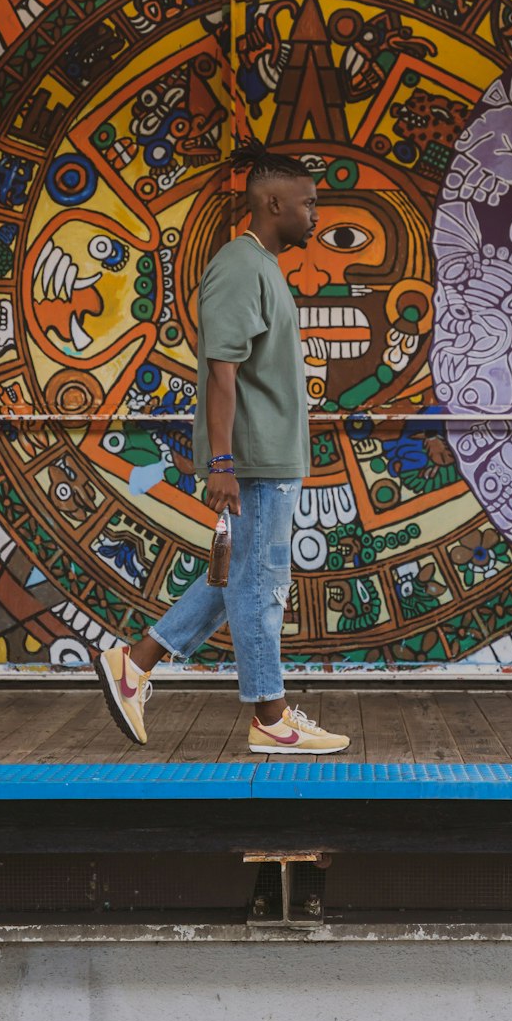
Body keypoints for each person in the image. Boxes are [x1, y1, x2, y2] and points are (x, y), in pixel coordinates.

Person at [95, 141, 351, 755]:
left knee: (242, 578)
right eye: (307, 204)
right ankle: (270, 717)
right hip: (254, 461)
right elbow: (221, 372)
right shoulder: (240, 267)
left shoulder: (262, 265)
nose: (314, 215)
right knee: (260, 588)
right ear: (271, 202)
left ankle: (135, 664)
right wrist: (222, 464)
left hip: (269, 457)